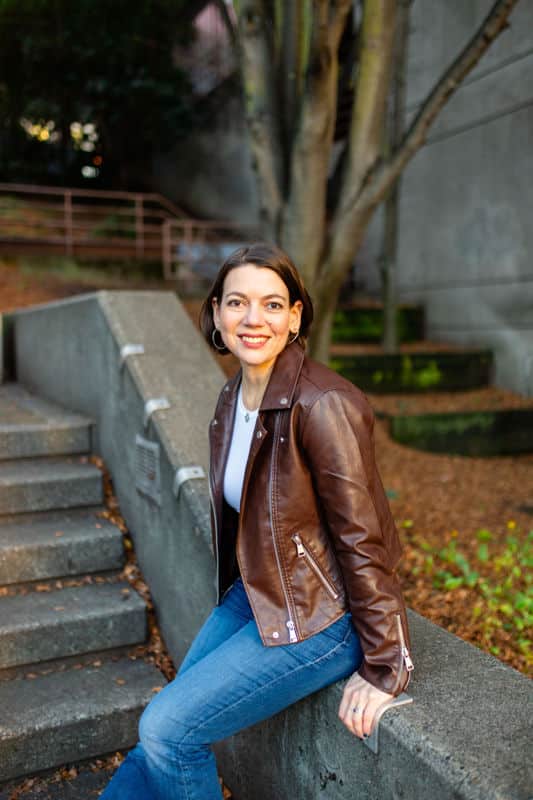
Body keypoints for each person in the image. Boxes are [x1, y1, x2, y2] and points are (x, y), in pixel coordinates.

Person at [101, 242, 413, 799]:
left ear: (295, 317)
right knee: (164, 725)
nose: (254, 319)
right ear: (217, 313)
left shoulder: (323, 404)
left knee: (168, 732)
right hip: (257, 595)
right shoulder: (230, 398)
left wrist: (386, 664)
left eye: (273, 305)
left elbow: (364, 540)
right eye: (238, 302)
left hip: (321, 618)